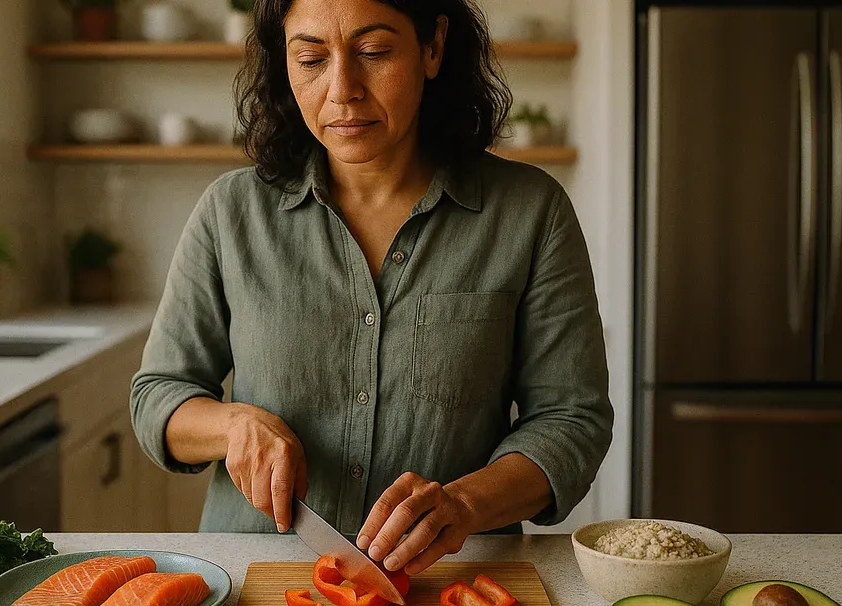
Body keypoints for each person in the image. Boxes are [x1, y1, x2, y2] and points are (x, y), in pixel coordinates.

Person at [131, 0, 612, 576]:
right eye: (311, 59)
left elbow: (571, 420)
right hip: (257, 576)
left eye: (374, 52)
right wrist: (233, 426)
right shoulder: (230, 212)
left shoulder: (531, 212)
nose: (342, 90)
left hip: (452, 581)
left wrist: (464, 504)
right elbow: (159, 396)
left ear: (433, 47)